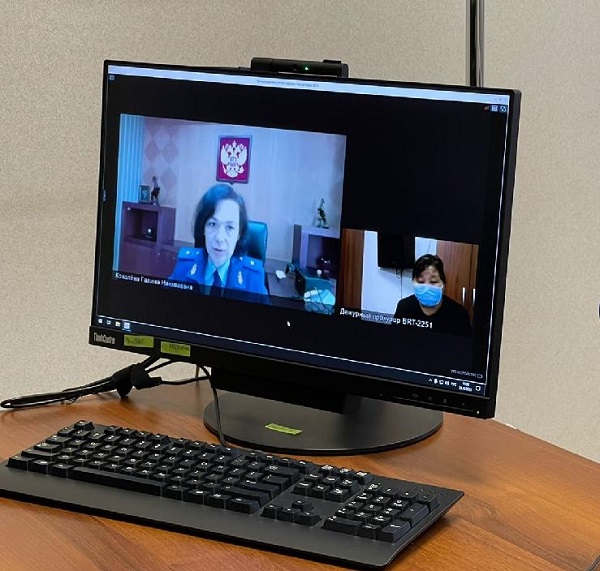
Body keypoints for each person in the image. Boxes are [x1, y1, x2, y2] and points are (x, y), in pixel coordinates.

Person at [169, 183, 269, 303]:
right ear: (203, 228)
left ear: (239, 234)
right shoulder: (184, 266)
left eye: (230, 227)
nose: (220, 238)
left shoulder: (253, 278)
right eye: (212, 224)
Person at [394, 254, 471, 336]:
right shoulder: (404, 308)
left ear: (443, 284)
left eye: (433, 281)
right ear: (413, 282)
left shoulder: (459, 314)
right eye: (421, 281)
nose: (427, 287)